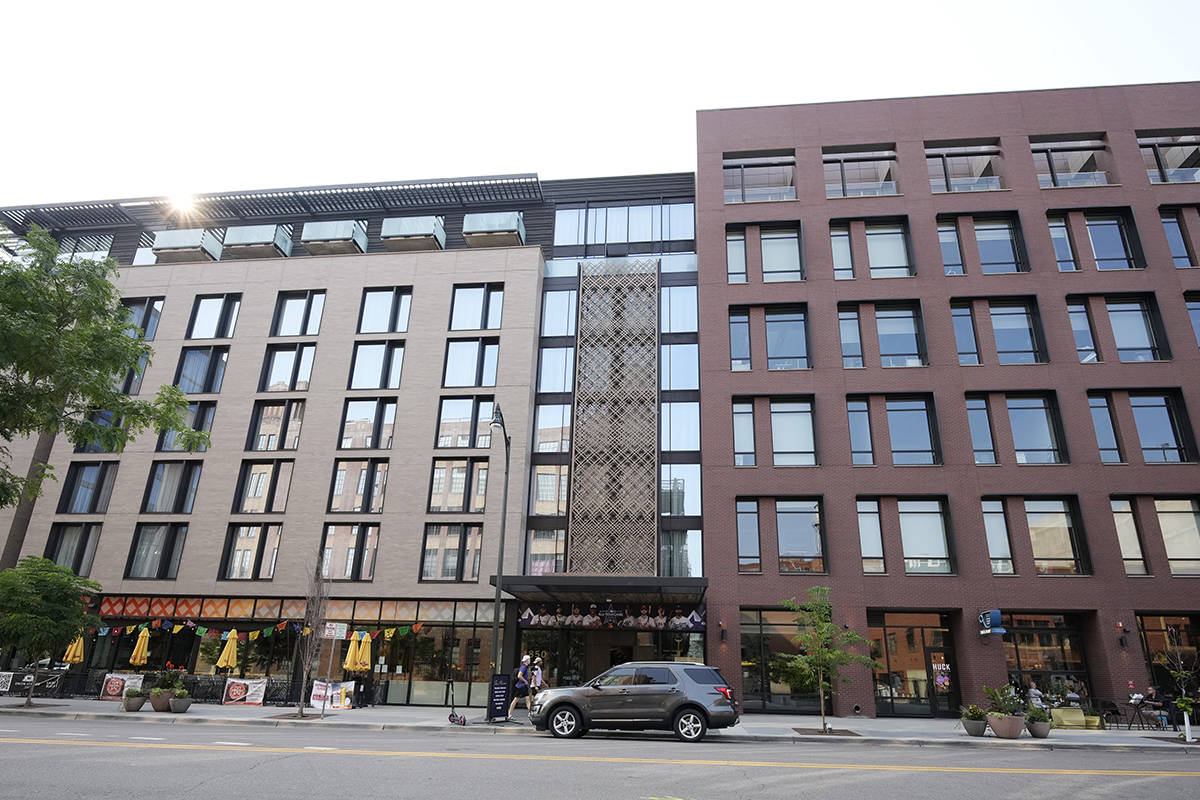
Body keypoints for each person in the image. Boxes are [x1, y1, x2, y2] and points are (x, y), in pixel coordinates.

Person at [507, 654, 532, 721]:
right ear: (527, 660)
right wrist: (525, 681)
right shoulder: (523, 667)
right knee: (515, 700)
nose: (530, 661)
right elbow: (519, 676)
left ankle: (531, 714)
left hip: (524, 687)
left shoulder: (525, 667)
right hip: (520, 687)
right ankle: (509, 715)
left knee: (528, 700)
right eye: (529, 660)